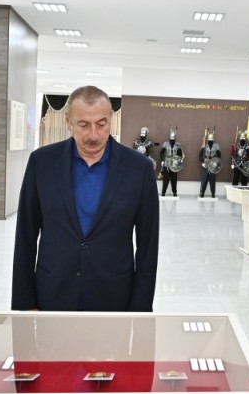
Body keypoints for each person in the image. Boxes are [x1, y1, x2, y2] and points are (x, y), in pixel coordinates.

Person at [12, 85, 159, 312]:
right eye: (83, 125)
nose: (94, 135)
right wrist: (25, 304)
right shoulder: (41, 163)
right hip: (53, 295)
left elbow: (148, 246)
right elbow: (25, 236)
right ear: (68, 121)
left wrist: (140, 311)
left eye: (101, 124)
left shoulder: (139, 169)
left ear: (111, 119)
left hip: (114, 298)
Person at [159, 129, 183, 197]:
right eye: (171, 138)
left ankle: (174, 192)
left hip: (174, 162)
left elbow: (180, 154)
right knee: (166, 178)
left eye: (173, 138)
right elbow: (161, 152)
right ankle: (163, 192)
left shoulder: (178, 145)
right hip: (167, 162)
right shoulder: (165, 144)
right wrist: (162, 160)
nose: (172, 139)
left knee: (174, 178)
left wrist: (180, 160)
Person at [198, 131, 221, 198]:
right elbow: (200, 155)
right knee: (204, 179)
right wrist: (202, 162)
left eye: (211, 140)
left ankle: (213, 193)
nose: (210, 141)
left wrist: (216, 161)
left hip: (213, 164)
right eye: (209, 140)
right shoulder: (204, 145)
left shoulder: (216, 146)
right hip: (206, 163)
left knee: (212, 180)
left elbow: (219, 155)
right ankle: (202, 193)